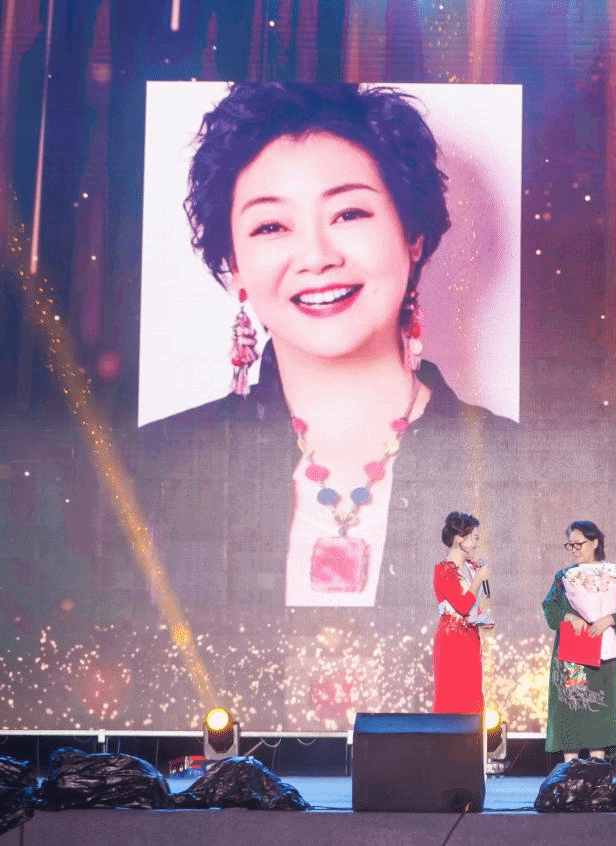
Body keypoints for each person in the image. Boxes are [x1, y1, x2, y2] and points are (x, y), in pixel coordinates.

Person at [136, 83, 515, 609]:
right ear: (235, 265)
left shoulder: (524, 473)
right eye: (271, 225)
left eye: (349, 214)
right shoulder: (146, 472)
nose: (315, 257)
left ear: (413, 236)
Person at [542, 520, 616, 760]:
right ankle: (570, 772)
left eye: (579, 544)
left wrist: (609, 620)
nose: (574, 550)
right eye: (570, 545)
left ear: (595, 542)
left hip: (605, 655)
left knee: (600, 714)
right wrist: (570, 617)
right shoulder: (564, 576)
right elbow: (549, 607)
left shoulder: (615, 575)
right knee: (571, 710)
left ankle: (597, 771)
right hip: (573, 655)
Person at [432, 511, 491, 714]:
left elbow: (473, 606)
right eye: (474, 538)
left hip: (470, 639)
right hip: (451, 641)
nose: (476, 544)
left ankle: (472, 735)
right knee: (451, 698)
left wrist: (483, 619)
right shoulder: (443, 570)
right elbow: (462, 605)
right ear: (459, 539)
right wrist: (478, 579)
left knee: (472, 698)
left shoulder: (472, 567)